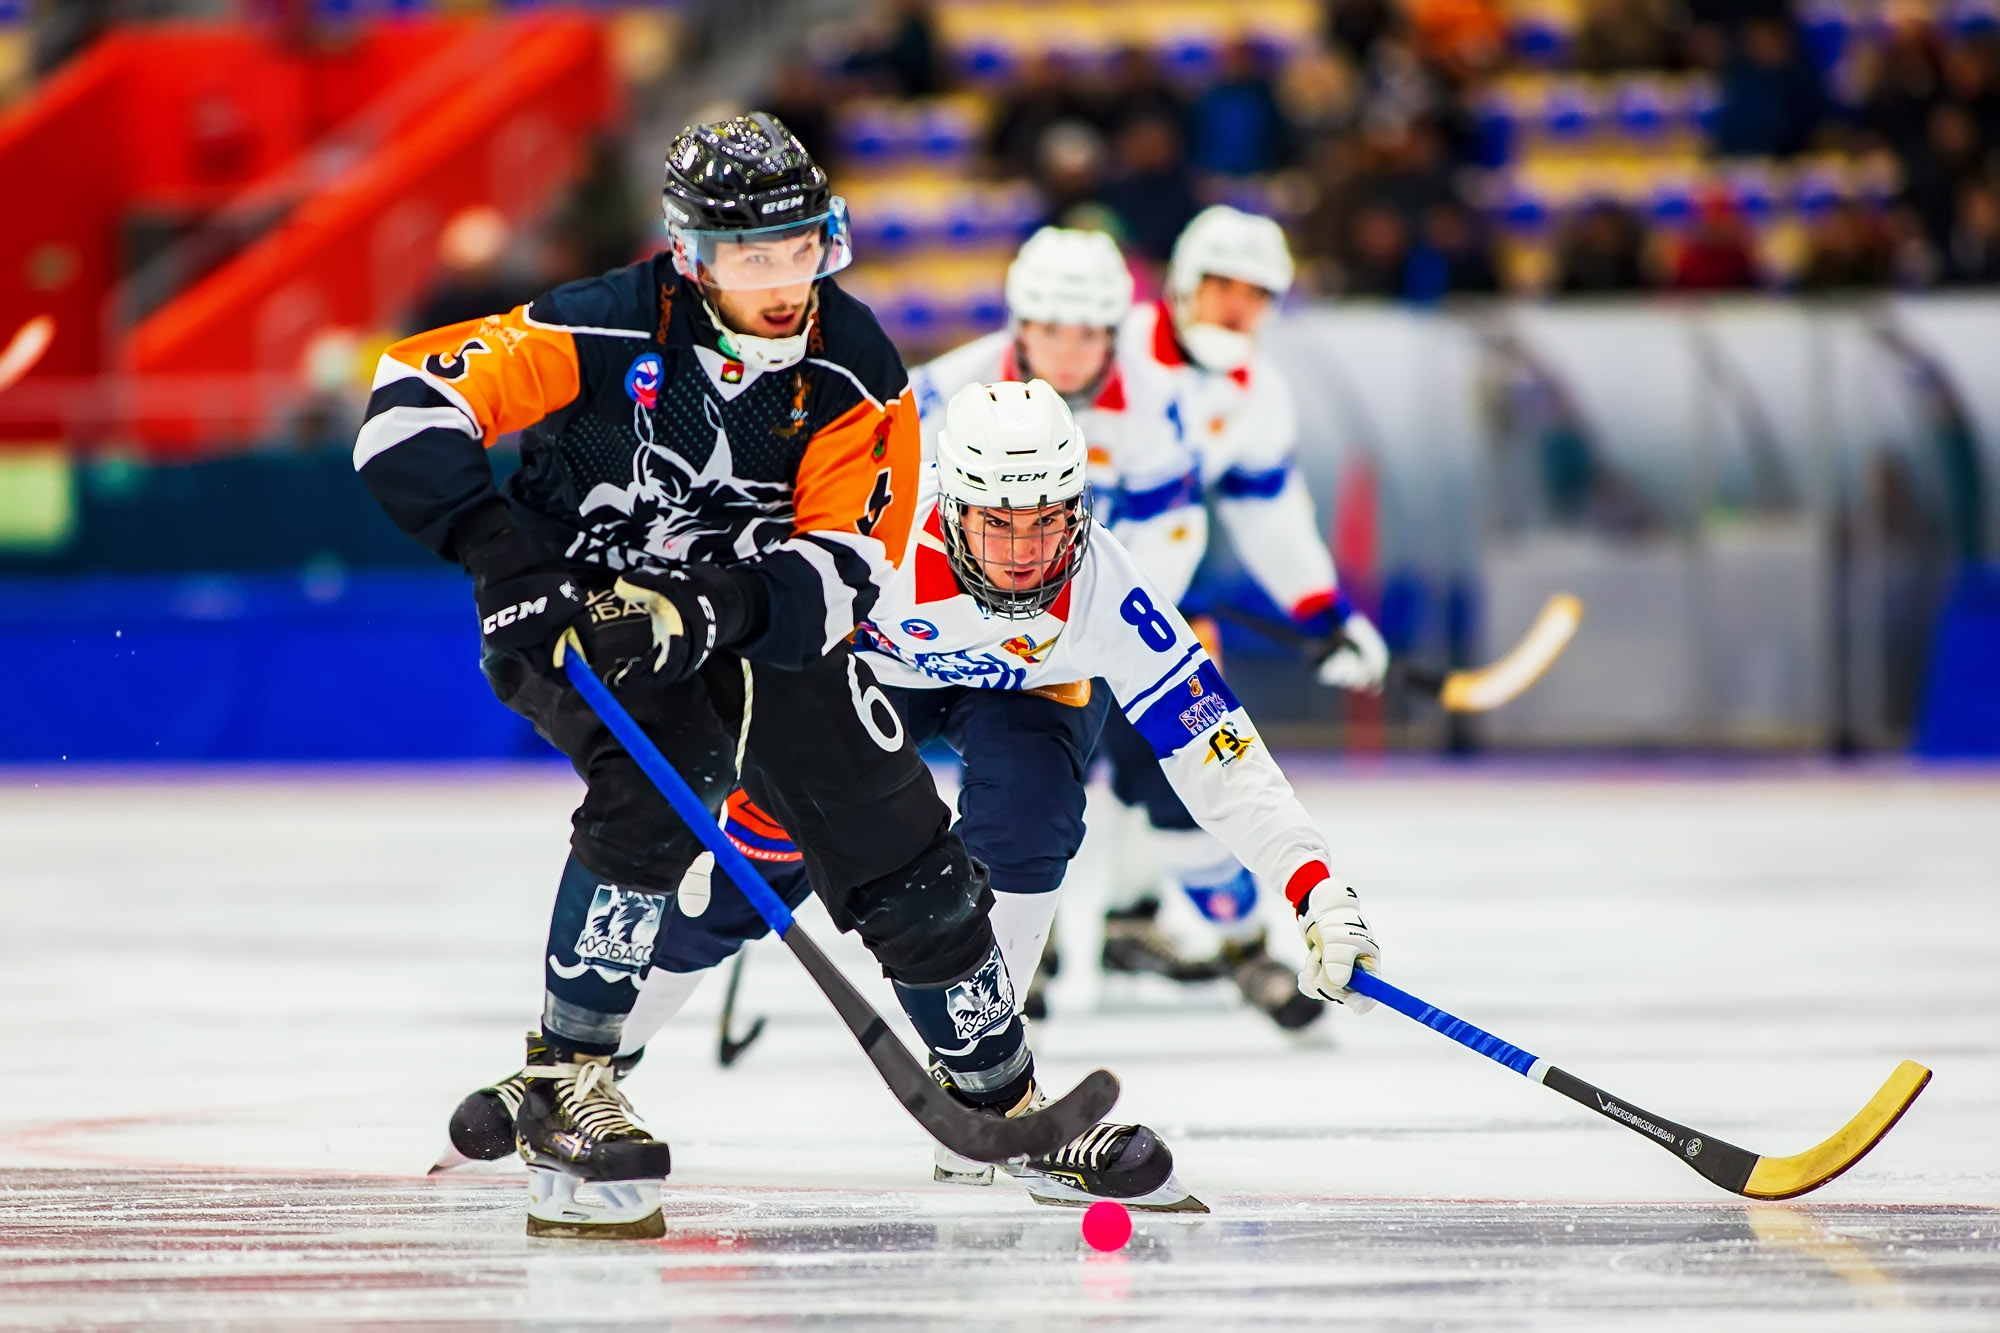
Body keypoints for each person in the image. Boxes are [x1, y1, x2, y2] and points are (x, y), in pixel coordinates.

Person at [356, 114, 1099, 1239]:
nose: (785, 280)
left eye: (804, 246)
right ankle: (571, 1074)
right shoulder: (599, 325)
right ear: (691, 255)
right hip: (581, 621)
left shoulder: (856, 369)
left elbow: (843, 575)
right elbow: (407, 397)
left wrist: (702, 608)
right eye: (755, 256)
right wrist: (499, 550)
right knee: (671, 773)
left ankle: (1004, 1094)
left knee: (895, 828)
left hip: (754, 630)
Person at [440, 381, 1388, 1212]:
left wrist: (1319, 893)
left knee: (1029, 820)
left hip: (1025, 690)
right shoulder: (871, 535)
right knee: (744, 865)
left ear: (1080, 513)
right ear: (948, 506)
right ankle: (582, 1065)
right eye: (996, 525)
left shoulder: (1107, 590)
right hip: (857, 662)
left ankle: (992, 1097)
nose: (1022, 556)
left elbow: (1220, 753)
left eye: (1046, 524)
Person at [1098, 205, 1390, 1003]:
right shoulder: (1102, 346)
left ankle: (1153, 924)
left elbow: (1268, 511)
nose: (1236, 306)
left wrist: (1321, 610)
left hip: (1152, 604)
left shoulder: (1256, 391)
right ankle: (1034, 947)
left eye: (1255, 293)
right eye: (1222, 285)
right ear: (1186, 285)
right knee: (1041, 769)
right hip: (1039, 598)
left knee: (1178, 764)